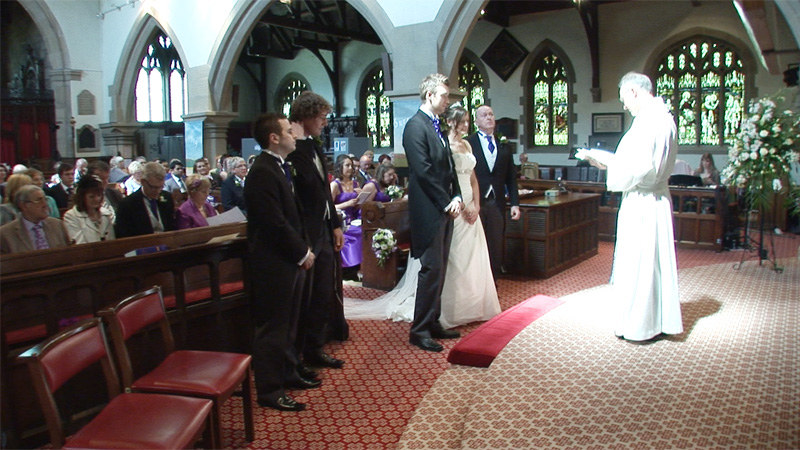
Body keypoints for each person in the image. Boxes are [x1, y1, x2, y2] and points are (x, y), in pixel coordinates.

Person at [582, 71, 683, 342]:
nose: (624, 106)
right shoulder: (665, 118)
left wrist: (607, 165)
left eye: (624, 99)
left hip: (642, 200)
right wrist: (614, 163)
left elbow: (638, 170)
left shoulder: (647, 122)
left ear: (634, 92)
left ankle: (640, 325)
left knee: (641, 263)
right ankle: (658, 320)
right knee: (654, 263)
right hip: (657, 198)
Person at [246, 112, 316, 412]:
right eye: (288, 131)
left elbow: (293, 214)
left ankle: (288, 372)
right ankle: (270, 390)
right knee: (273, 328)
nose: (294, 135)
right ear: (273, 138)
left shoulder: (279, 166)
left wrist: (303, 248)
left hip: (288, 260)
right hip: (274, 263)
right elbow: (273, 222)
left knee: (289, 324)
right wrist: (301, 252)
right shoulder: (262, 171)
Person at [287, 91, 348, 370]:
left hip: (323, 229)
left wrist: (335, 224)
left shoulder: (313, 145)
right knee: (304, 296)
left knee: (323, 292)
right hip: (305, 232)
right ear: (307, 116)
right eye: (322, 117)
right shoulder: (292, 148)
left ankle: (315, 348)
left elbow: (324, 190)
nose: (325, 123)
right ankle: (297, 355)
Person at [403, 73, 462, 352]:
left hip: (443, 207)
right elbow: (424, 171)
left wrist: (457, 194)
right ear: (429, 96)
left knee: (440, 268)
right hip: (428, 209)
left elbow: (449, 167)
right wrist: (446, 202)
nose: (447, 100)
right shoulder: (415, 126)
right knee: (431, 269)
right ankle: (420, 330)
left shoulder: (436, 125)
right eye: (444, 96)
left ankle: (433, 321)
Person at [467, 105, 520, 280]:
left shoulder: (504, 145)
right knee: (475, 243)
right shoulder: (468, 143)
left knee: (496, 243)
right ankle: (476, 281)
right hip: (475, 201)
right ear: (476, 121)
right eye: (484, 115)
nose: (489, 117)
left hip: (497, 201)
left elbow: (511, 177)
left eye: (491, 114)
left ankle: (493, 281)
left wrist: (515, 203)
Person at [0, 185, 70, 254]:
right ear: (24, 206)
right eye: (39, 200)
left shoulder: (57, 225)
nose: (45, 204)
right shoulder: (6, 234)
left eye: (45, 199)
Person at [114, 161, 175, 238]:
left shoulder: (167, 197)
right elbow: (124, 234)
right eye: (153, 187)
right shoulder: (127, 204)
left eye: (161, 186)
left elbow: (171, 226)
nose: (158, 191)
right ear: (143, 182)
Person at [330, 155, 362, 269]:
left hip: (354, 218)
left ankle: (360, 266)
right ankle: (349, 265)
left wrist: (360, 198)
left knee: (364, 230)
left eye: (351, 166)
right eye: (347, 165)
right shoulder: (335, 185)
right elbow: (329, 207)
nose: (350, 168)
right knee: (356, 231)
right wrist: (347, 204)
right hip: (341, 220)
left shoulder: (355, 184)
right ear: (340, 167)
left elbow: (357, 206)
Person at [63, 175, 116, 244]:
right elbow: (79, 245)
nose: (97, 199)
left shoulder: (106, 214)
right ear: (82, 197)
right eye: (92, 196)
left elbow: (112, 241)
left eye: (99, 195)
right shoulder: (71, 216)